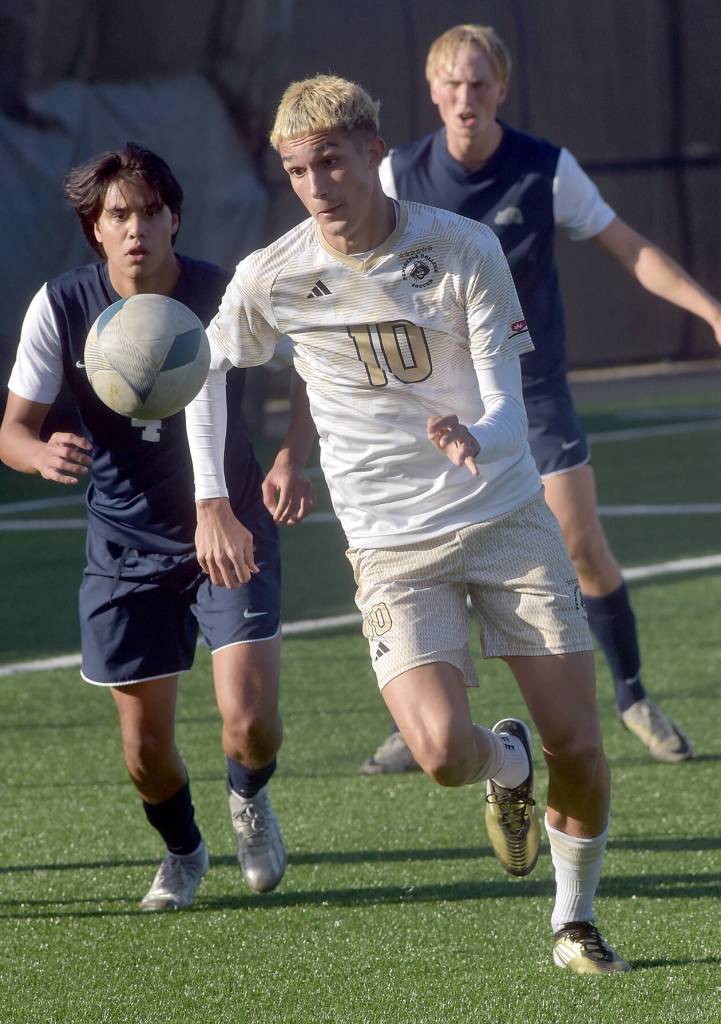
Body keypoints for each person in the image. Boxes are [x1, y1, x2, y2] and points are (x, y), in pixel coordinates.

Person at [185, 74, 630, 973]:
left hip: (505, 513)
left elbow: (508, 403)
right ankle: (502, 765)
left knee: (578, 743)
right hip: (390, 545)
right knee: (437, 754)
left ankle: (572, 920)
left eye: (332, 162)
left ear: (375, 155)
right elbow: (205, 366)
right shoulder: (272, 275)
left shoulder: (462, 248)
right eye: (297, 169)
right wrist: (209, 499)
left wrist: (475, 432)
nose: (316, 184)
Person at [362, 22, 721, 774]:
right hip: (433, 408)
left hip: (531, 393)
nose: (466, 97)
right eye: (452, 84)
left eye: (479, 83)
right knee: (432, 557)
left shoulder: (543, 169)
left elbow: (631, 249)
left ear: (501, 89)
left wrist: (710, 311)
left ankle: (630, 697)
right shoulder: (396, 173)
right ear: (433, 92)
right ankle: (428, 719)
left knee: (582, 547)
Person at [0, 143, 314, 911]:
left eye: (149, 211)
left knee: (250, 727)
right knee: (145, 756)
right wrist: (39, 453)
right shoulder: (63, 306)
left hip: (229, 527)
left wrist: (289, 459)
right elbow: (11, 429)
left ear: (174, 217)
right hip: (123, 542)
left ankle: (248, 798)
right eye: (118, 215)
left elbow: (307, 374)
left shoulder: (223, 294)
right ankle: (183, 850)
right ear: (94, 230)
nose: (136, 227)